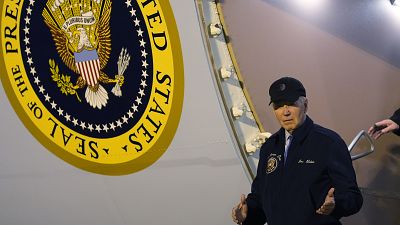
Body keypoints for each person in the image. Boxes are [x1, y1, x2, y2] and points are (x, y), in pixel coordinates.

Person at [232, 77, 363, 225]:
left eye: (291, 104)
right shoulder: (269, 147)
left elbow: (353, 198)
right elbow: (260, 197)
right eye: (279, 106)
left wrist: (335, 204)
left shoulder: (329, 143)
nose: (285, 112)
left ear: (305, 105)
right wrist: (248, 213)